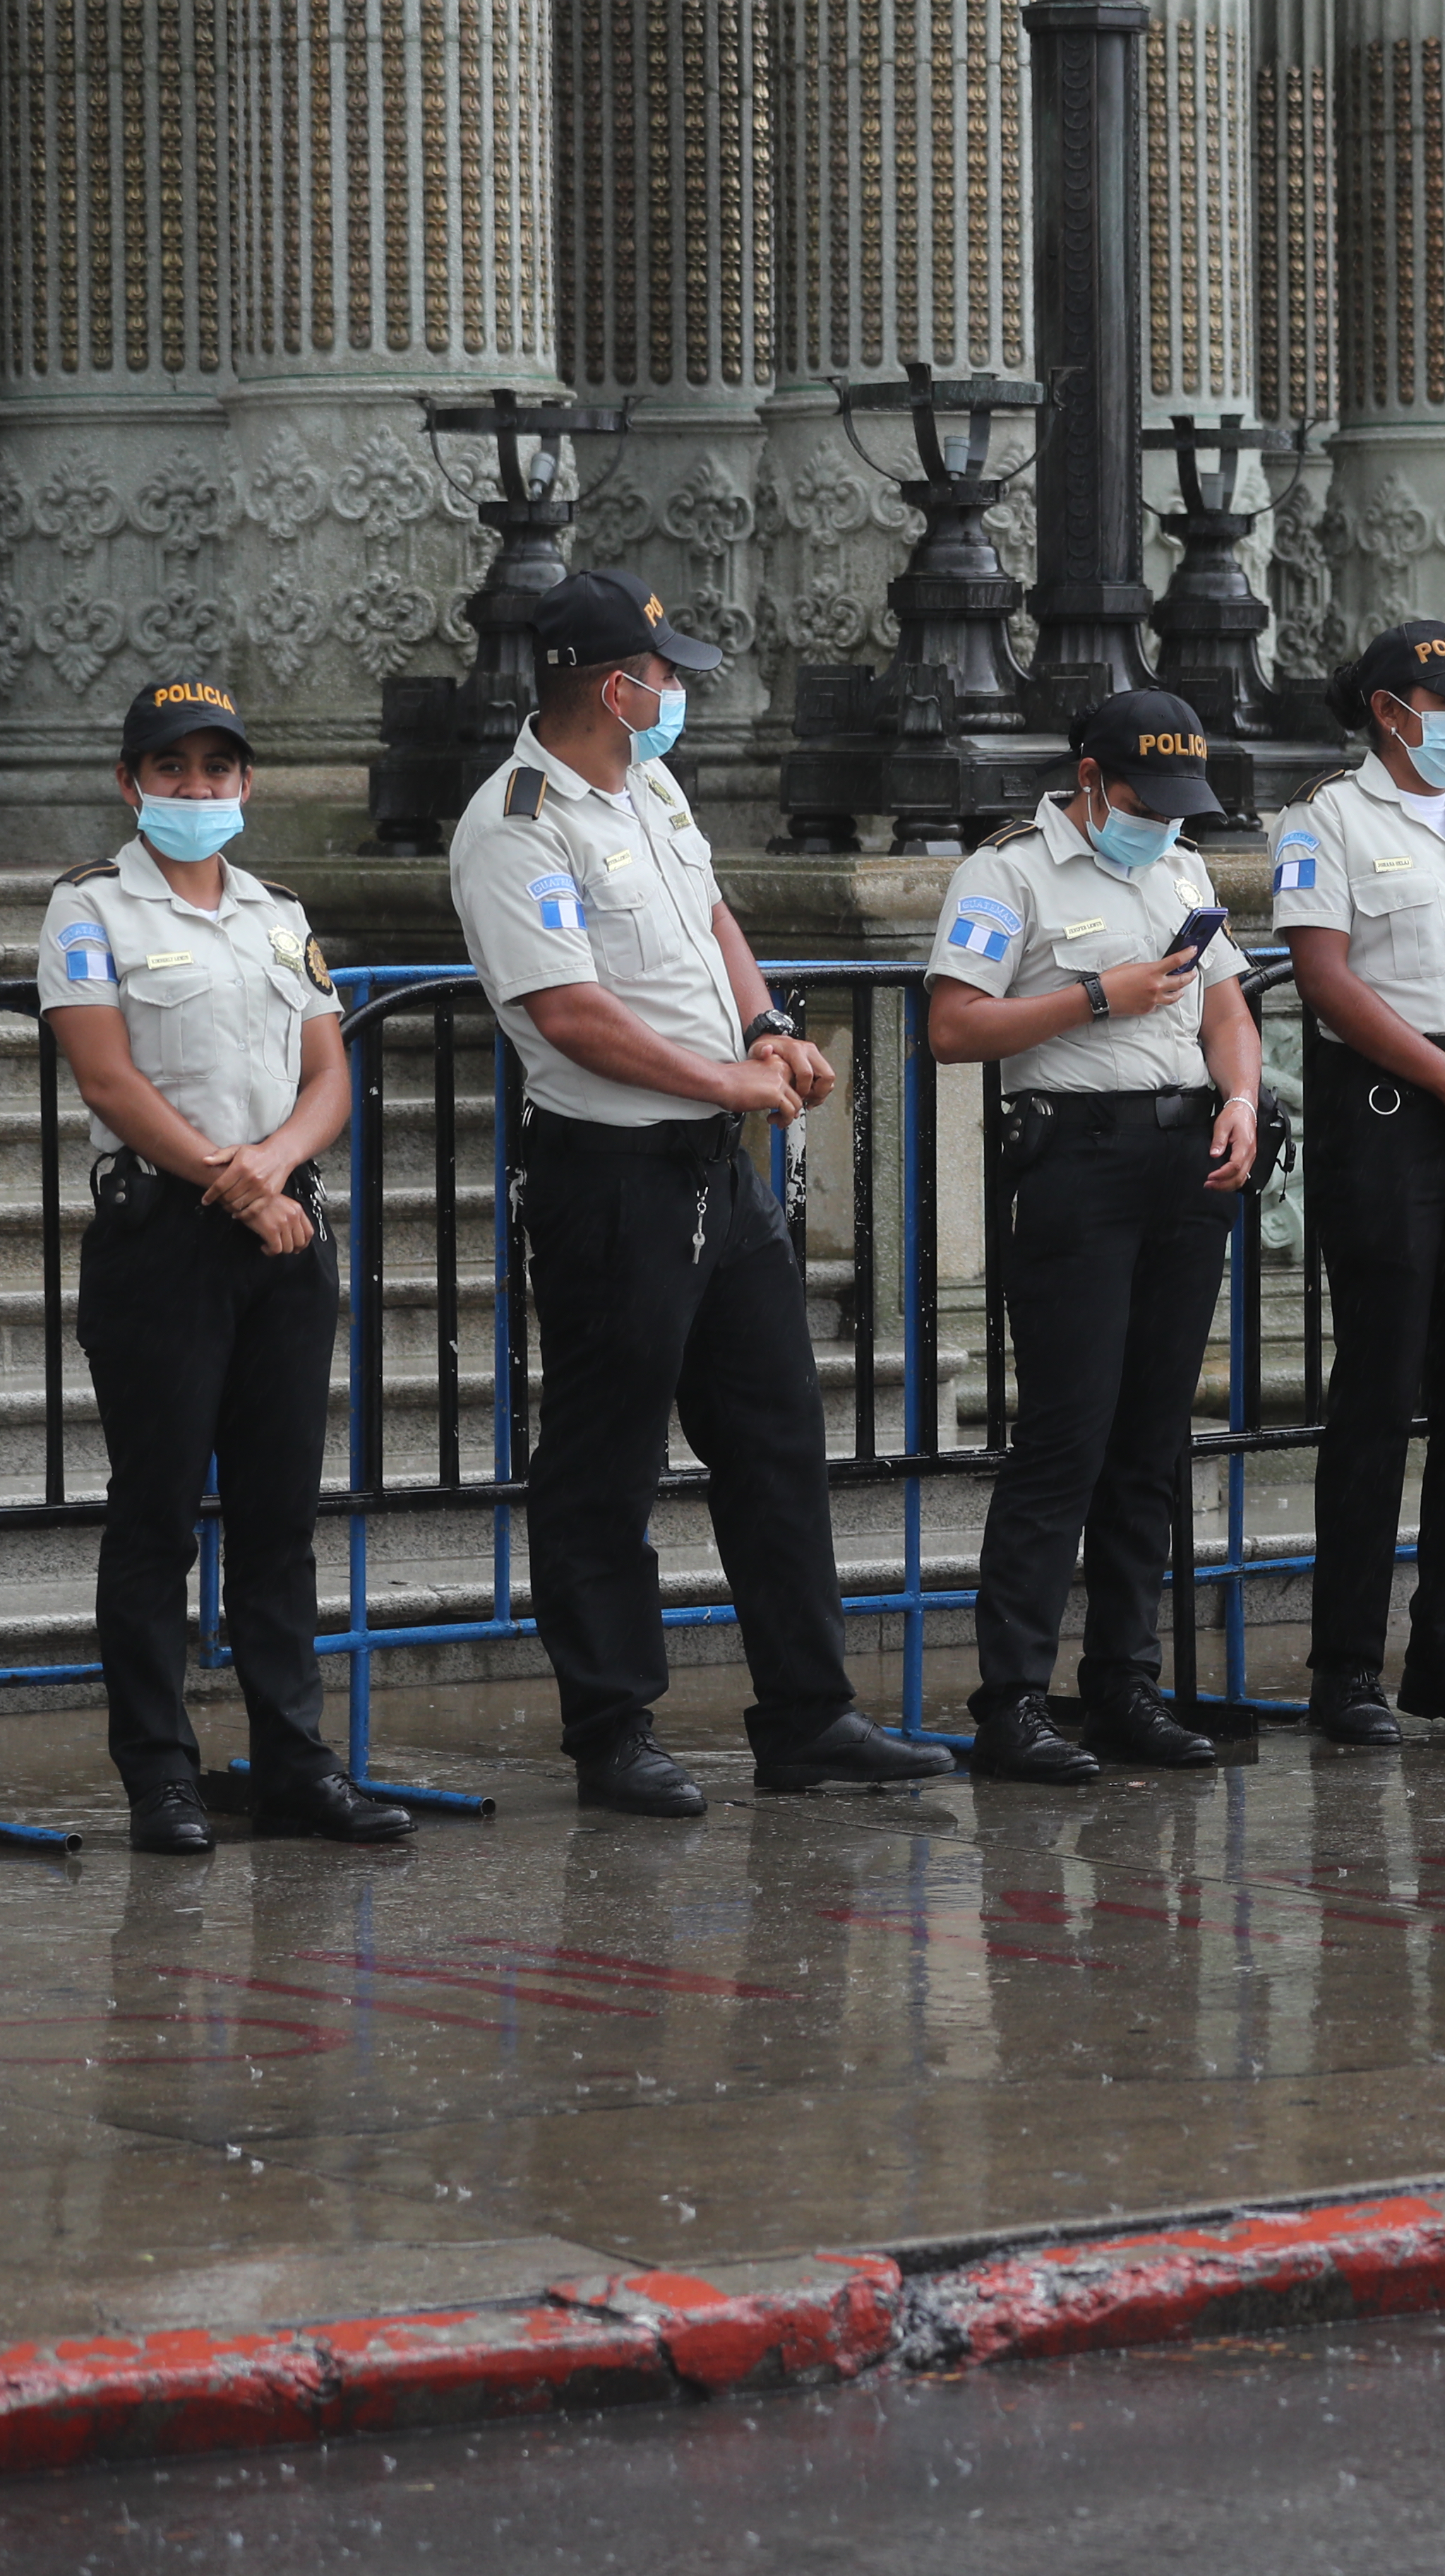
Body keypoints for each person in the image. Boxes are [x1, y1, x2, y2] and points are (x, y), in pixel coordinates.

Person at [446, 570, 952, 1811]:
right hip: (613, 1173)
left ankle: (809, 1712)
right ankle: (612, 1725)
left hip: (716, 1169)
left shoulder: (649, 784)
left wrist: (767, 1025)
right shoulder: (516, 823)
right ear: (613, 687)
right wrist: (725, 1079)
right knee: (605, 1463)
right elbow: (566, 1015)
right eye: (665, 675)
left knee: (777, 1444)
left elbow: (712, 917)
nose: (678, 693)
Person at [37, 680, 407, 1854]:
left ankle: (294, 1762)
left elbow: (328, 1072)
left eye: (217, 768)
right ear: (131, 781)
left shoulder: (274, 911)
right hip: (167, 1237)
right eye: (173, 767)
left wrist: (273, 1167)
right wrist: (228, 1179)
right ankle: (160, 1775)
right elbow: (108, 1079)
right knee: (155, 1518)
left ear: (246, 782)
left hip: (282, 1233)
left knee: (277, 1516)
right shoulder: (88, 907)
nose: (197, 788)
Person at [927, 690, 1263, 1777]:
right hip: (1075, 1160)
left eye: (1177, 805)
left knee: (1153, 1440)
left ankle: (1126, 1685)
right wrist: (1097, 997)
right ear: (1088, 778)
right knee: (1066, 1436)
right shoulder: (1009, 870)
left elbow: (1227, 1010)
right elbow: (954, 1025)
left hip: (1186, 1156)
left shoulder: (1179, 866)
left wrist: (1244, 1099)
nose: (1162, 819)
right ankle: (1013, 1703)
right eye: (1142, 798)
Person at [1273, 619, 1445, 1746]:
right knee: (1381, 1394)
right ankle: (1346, 1666)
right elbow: (1326, 978)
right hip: (1396, 1107)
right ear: (1394, 711)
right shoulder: (1329, 820)